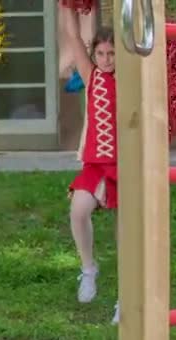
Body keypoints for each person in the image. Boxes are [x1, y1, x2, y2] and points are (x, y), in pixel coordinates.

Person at [61, 6, 119, 323]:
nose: (107, 59)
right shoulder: (91, 75)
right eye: (101, 52)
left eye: (112, 53)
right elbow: (72, 36)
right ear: (94, 54)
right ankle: (88, 269)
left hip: (125, 167)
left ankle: (128, 297)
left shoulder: (129, 81)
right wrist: (66, 6)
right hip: (96, 165)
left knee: (127, 233)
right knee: (78, 211)